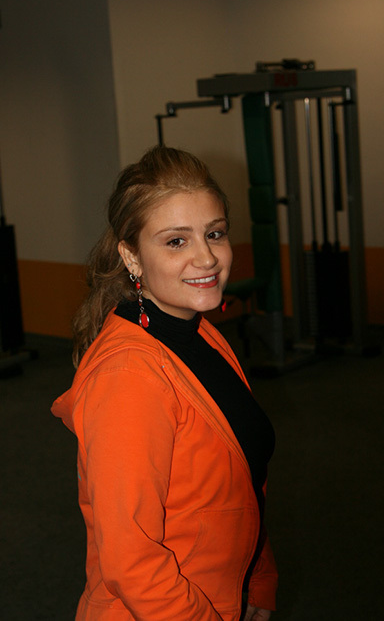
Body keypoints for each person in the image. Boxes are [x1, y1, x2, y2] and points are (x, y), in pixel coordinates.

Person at [51, 146, 278, 620]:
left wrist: (256, 581)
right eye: (176, 241)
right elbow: (133, 562)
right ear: (131, 256)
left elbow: (240, 482)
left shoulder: (201, 334)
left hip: (224, 596)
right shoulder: (129, 376)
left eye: (214, 233)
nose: (206, 257)